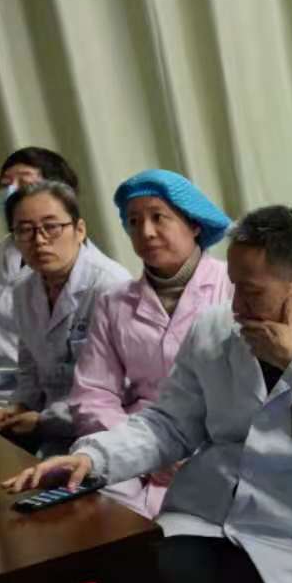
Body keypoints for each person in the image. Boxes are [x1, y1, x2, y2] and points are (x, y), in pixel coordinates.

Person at [6, 205, 292, 583]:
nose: (236, 306)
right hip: (207, 517)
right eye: (234, 287)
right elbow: (169, 424)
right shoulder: (216, 328)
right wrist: (94, 457)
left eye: (251, 292)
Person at [64, 169, 234, 518]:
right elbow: (93, 393)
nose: (146, 232)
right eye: (134, 221)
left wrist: (187, 452)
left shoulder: (234, 286)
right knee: (97, 517)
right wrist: (141, 454)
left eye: (159, 217)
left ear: (194, 224)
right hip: (138, 446)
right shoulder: (114, 302)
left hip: (214, 448)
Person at [0, 146, 98, 424]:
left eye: (25, 182)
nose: (12, 192)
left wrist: (36, 415)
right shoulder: (11, 253)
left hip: (49, 406)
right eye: (5, 185)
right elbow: (14, 336)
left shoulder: (104, 283)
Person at [0, 181, 132, 453]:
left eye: (51, 226)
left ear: (79, 230)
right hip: (48, 425)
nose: (39, 240)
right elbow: (29, 367)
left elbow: (123, 389)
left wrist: (44, 421)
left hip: (107, 428)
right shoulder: (23, 287)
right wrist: (21, 404)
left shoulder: (112, 286)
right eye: (25, 230)